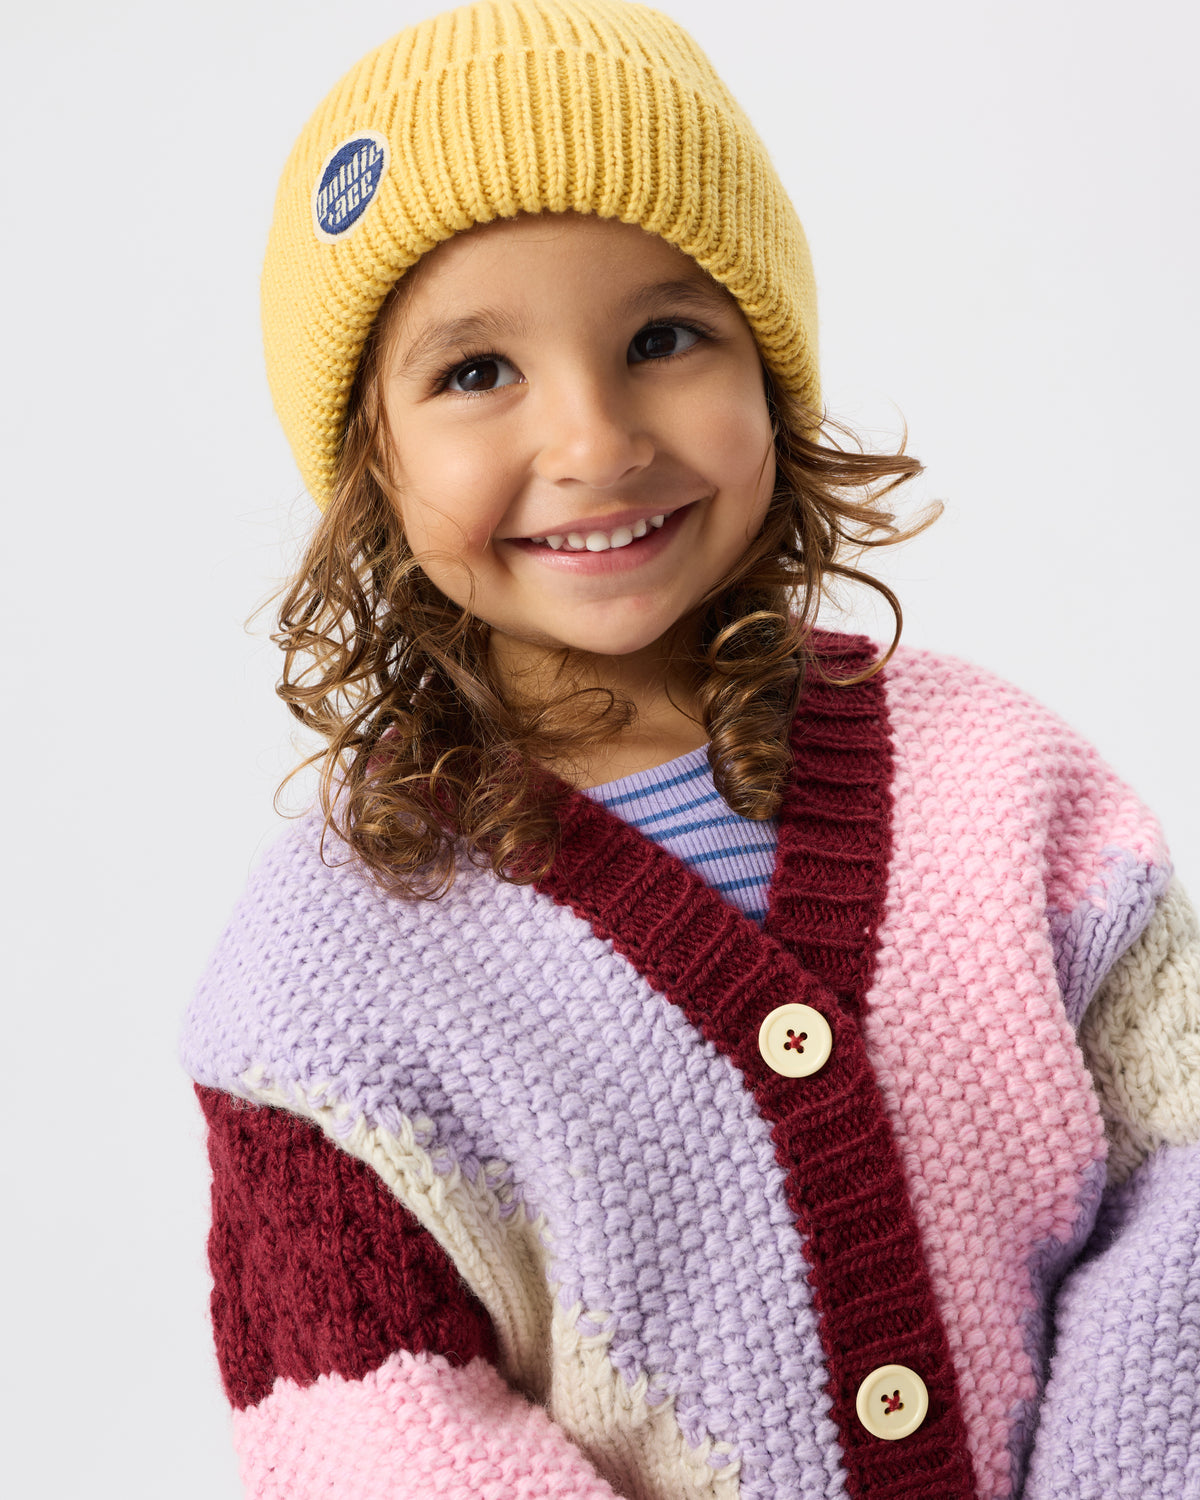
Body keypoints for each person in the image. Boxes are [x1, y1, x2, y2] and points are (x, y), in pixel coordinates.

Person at [181, 1, 1200, 1496]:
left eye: (663, 339)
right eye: (476, 373)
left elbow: (1183, 1195)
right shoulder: (319, 992)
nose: (596, 441)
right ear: (367, 461)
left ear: (770, 375)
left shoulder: (1012, 790)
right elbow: (369, 1438)